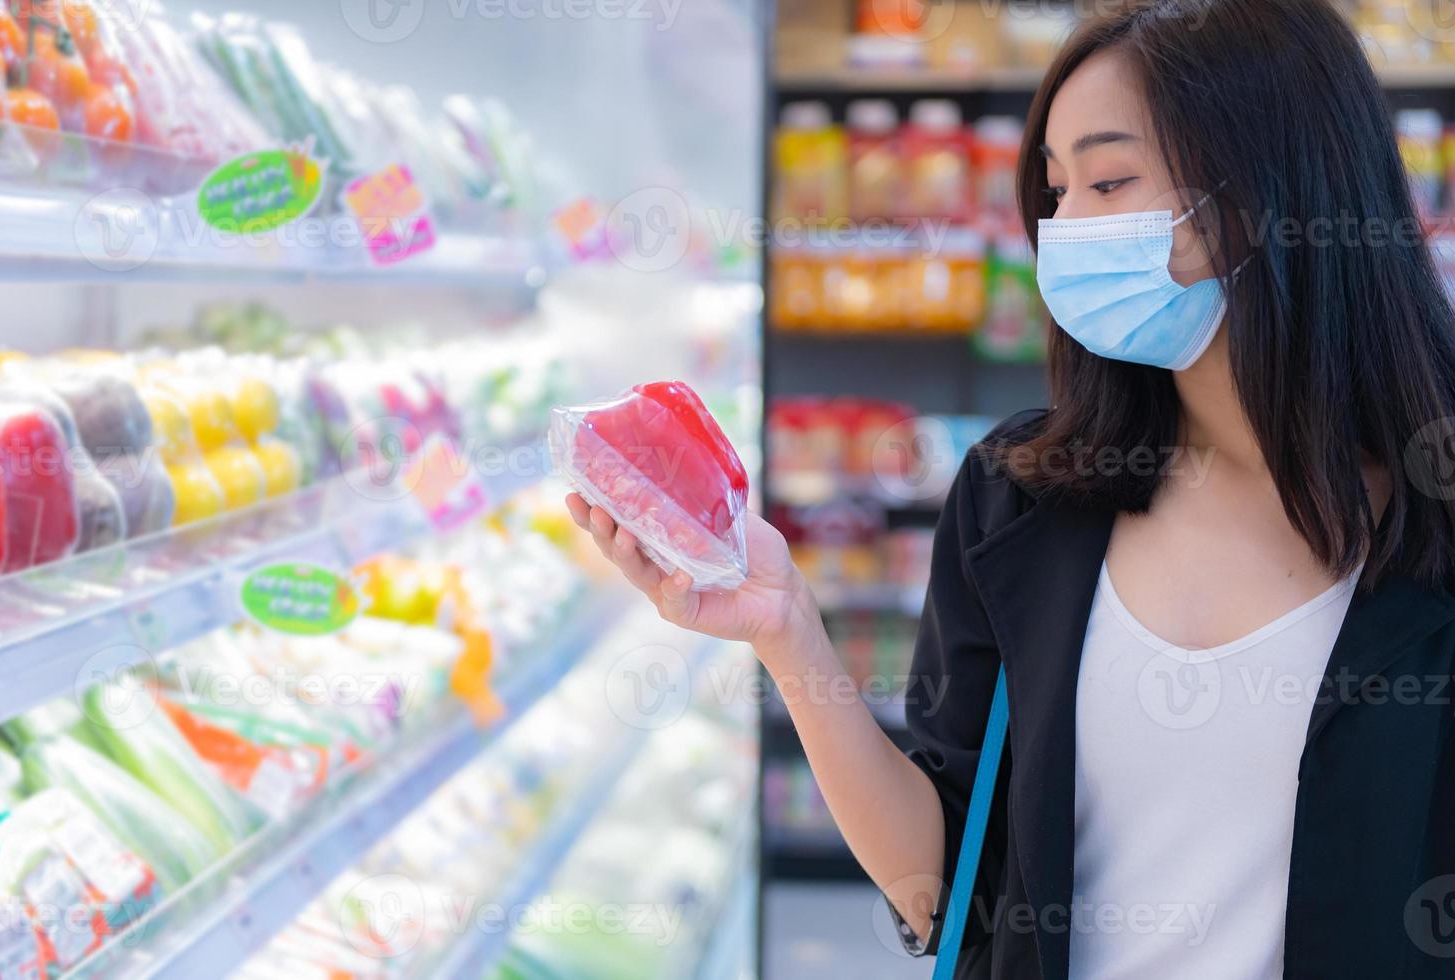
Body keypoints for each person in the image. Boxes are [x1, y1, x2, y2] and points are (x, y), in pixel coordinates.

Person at [566, 0, 1455, 976]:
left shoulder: (1431, 513)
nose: (1062, 228)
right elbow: (950, 894)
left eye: (1109, 180)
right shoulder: (1022, 494)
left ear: (1271, 196)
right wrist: (787, 630)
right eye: (1055, 187)